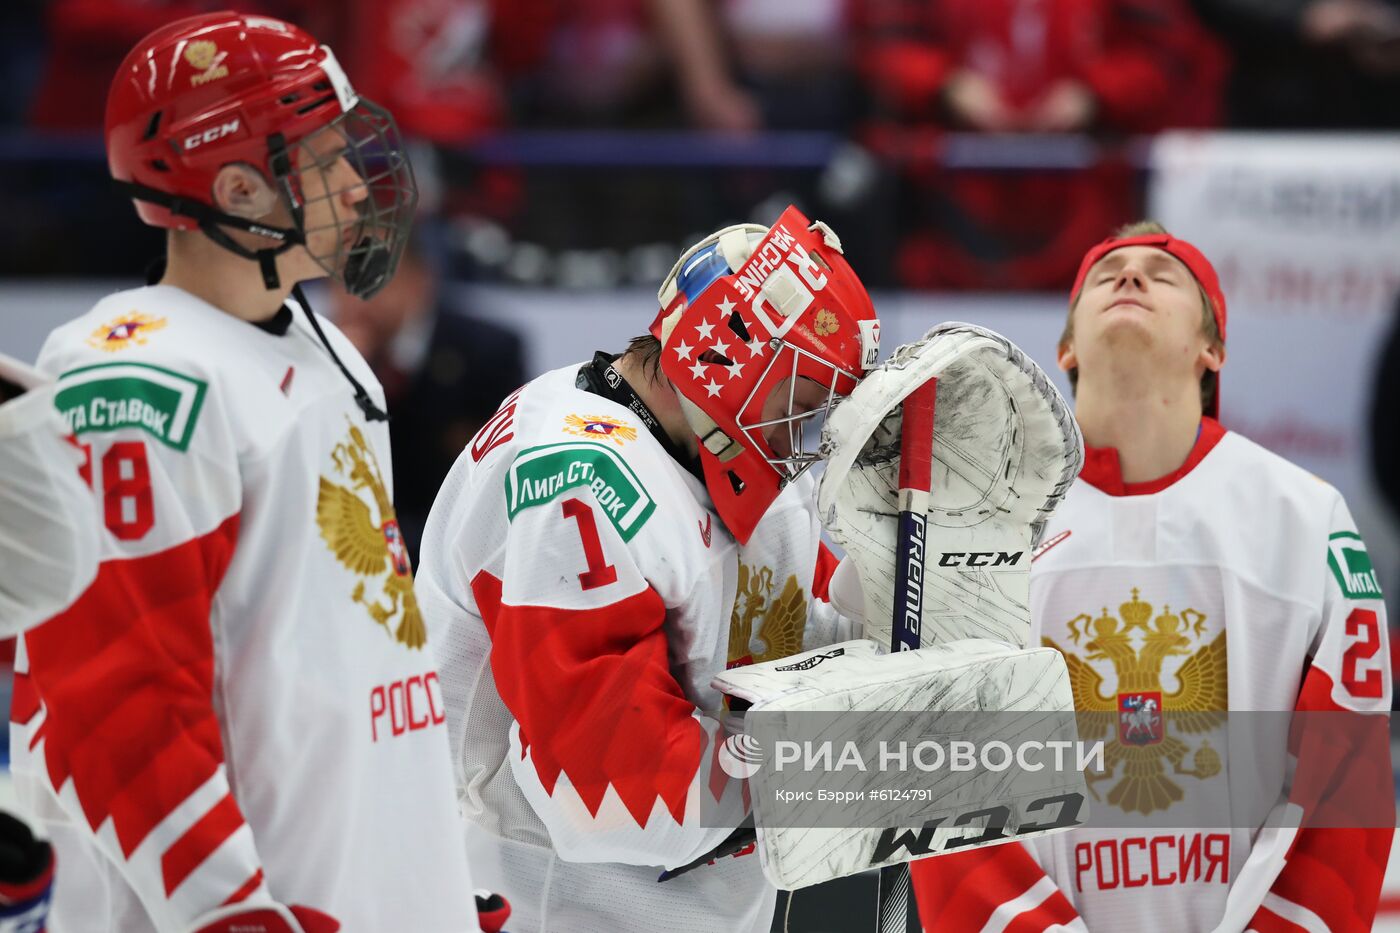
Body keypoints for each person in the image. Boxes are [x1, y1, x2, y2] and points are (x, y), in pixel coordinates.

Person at [10, 13, 481, 932]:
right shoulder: (132, 380)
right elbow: (118, 708)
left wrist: (430, 884)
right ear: (236, 188)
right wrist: (230, 913)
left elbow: (358, 660)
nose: (358, 184)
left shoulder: (323, 341)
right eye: (325, 158)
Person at [910, 222, 1394, 931]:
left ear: (1212, 350)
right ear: (1066, 348)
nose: (1131, 277)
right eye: (1106, 276)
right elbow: (940, 774)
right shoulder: (972, 528)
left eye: (1162, 276)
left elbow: (1347, 783)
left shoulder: (1308, 518)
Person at [414, 205, 880, 932]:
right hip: (546, 902)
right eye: (799, 402)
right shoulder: (578, 481)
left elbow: (799, 638)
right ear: (724, 353)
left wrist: (909, 593)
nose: (804, 436)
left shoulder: (736, 454)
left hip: (702, 906)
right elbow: (607, 789)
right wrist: (852, 774)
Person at [330, 234, 525, 564]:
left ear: (421, 281)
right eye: (342, 280)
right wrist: (340, 376)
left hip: (453, 559)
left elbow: (501, 493)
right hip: (351, 554)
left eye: (372, 277)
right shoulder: (321, 361)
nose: (356, 297)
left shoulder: (488, 354)